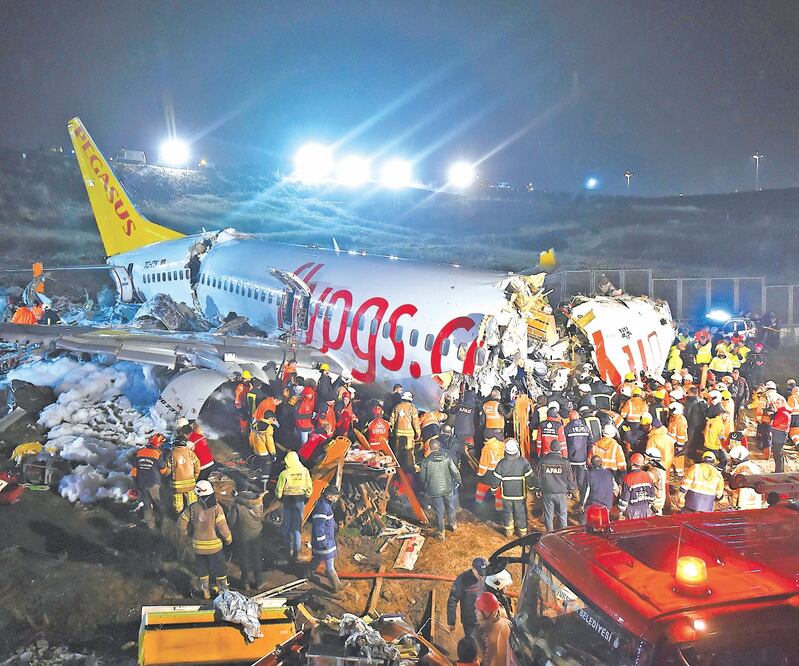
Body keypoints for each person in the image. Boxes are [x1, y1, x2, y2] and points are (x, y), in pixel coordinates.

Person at [179, 480, 233, 599]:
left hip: (198, 546)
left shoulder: (192, 508)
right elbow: (223, 528)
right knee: (219, 569)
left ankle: (206, 592)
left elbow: (181, 524)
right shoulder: (216, 508)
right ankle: (223, 592)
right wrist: (229, 539)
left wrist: (185, 537)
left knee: (202, 569)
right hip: (215, 547)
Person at [490, 439, 534, 537]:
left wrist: (493, 490)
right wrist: (532, 487)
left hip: (506, 495)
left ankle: (508, 532)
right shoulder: (524, 462)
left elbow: (495, 480)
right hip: (520, 495)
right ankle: (522, 532)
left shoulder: (501, 463)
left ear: (506, 451)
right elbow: (530, 478)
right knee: (521, 512)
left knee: (507, 513)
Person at [275, 451, 313, 562]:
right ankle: (296, 553)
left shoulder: (284, 473)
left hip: (287, 500)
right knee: (297, 528)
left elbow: (278, 490)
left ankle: (287, 548)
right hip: (300, 500)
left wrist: (279, 497)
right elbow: (309, 486)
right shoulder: (304, 471)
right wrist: (307, 496)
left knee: (286, 524)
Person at [419, 439, 461, 540]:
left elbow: (422, 477)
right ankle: (453, 524)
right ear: (439, 447)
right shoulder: (447, 458)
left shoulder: (426, 461)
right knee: (450, 506)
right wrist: (458, 480)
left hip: (434, 490)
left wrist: (426, 484)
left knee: (439, 510)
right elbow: (455, 471)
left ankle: (441, 531)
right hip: (448, 487)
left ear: (429, 448)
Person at [229, 477, 266, 591]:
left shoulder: (237, 503)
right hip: (257, 533)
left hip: (242, 535)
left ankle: (245, 583)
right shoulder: (258, 500)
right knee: (256, 557)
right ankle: (259, 581)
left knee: (244, 559)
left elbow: (231, 520)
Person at [536, 439, 575, 532]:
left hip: (547, 492)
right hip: (561, 493)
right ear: (560, 449)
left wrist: (538, 489)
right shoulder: (565, 462)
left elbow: (538, 477)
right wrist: (570, 490)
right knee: (562, 514)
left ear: (550, 448)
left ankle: (550, 534)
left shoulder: (543, 461)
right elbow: (570, 478)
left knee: (548, 515)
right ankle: (563, 534)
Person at [131, 433, 168, 528]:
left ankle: (151, 526)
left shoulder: (140, 452)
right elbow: (163, 469)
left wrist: (137, 484)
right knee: (159, 503)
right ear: (159, 444)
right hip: (154, 483)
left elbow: (134, 472)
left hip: (142, 483)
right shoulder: (157, 454)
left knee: (147, 506)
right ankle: (164, 524)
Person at [310, 484, 343, 592]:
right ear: (329, 496)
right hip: (325, 541)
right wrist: (322, 542)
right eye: (335, 496)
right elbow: (319, 527)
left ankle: (306, 573)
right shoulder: (323, 507)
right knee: (330, 566)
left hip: (325, 540)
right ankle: (337, 587)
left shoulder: (325, 504)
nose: (336, 498)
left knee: (317, 559)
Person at [447, 557, 487, 638]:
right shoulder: (462, 579)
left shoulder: (486, 576)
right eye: (480, 574)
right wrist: (451, 621)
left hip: (484, 619)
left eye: (484, 573)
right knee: (472, 645)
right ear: (473, 569)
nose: (482, 576)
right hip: (469, 622)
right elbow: (453, 600)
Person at [473, 592, 512, 666]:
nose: (475, 612)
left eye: (478, 610)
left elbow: (477, 661)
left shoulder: (479, 632)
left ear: (487, 612)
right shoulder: (507, 623)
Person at [167, 434, 201, 514]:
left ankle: (180, 515)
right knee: (192, 499)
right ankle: (193, 514)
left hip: (176, 485)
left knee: (178, 501)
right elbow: (197, 466)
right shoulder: (190, 453)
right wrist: (195, 476)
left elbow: (168, 470)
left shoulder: (171, 454)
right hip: (190, 483)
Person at [617, 452, 656, 520]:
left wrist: (621, 511)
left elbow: (625, 498)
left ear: (632, 463)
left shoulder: (628, 478)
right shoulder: (647, 476)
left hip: (633, 511)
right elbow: (652, 495)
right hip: (646, 510)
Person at [389, 391, 421, 471]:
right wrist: (418, 432)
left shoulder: (396, 407)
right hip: (409, 434)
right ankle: (410, 468)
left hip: (398, 433)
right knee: (409, 451)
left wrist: (391, 431)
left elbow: (392, 420)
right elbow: (415, 422)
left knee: (397, 450)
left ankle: (397, 466)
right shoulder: (412, 408)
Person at [564, 411, 591, 501]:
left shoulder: (567, 428)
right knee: (582, 475)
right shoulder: (585, 428)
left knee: (571, 475)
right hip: (583, 457)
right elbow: (590, 443)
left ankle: (574, 492)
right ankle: (582, 493)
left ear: (569, 418)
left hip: (571, 457)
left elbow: (564, 443)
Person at [727, 445, 764, 510]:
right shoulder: (754, 466)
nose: (732, 461)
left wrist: (739, 508)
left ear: (738, 459)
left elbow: (742, 493)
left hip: (745, 506)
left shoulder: (741, 471)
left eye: (733, 459)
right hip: (756, 505)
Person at [249, 411, 278, 480]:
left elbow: (251, 436)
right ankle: (264, 481)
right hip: (263, 450)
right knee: (268, 463)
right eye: (273, 418)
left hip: (255, 448)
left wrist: (252, 446)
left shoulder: (256, 423)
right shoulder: (269, 428)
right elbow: (269, 442)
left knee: (261, 461)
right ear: (270, 418)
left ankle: (256, 474)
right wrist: (273, 454)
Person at [451, 389, 478, 458]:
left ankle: (459, 462)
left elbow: (451, 411)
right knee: (470, 450)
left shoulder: (459, 406)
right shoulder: (475, 408)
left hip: (458, 431)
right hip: (469, 432)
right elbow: (476, 421)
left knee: (460, 448)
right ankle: (471, 463)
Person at [645, 448, 668, 515]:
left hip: (654, 502)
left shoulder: (651, 472)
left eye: (646, 458)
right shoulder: (662, 469)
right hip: (661, 500)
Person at [771, 399, 791, 473]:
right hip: (779, 435)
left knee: (777, 454)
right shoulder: (781, 412)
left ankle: (779, 471)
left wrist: (771, 422)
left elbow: (775, 423)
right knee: (779, 453)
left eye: (778, 403)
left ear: (783, 404)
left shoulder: (782, 413)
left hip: (779, 435)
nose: (776, 404)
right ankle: (779, 470)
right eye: (776, 403)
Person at [512, 389, 533, 458]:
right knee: (526, 439)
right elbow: (531, 412)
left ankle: (519, 454)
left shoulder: (515, 400)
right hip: (525, 422)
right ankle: (526, 454)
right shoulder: (528, 400)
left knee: (518, 438)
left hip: (517, 422)